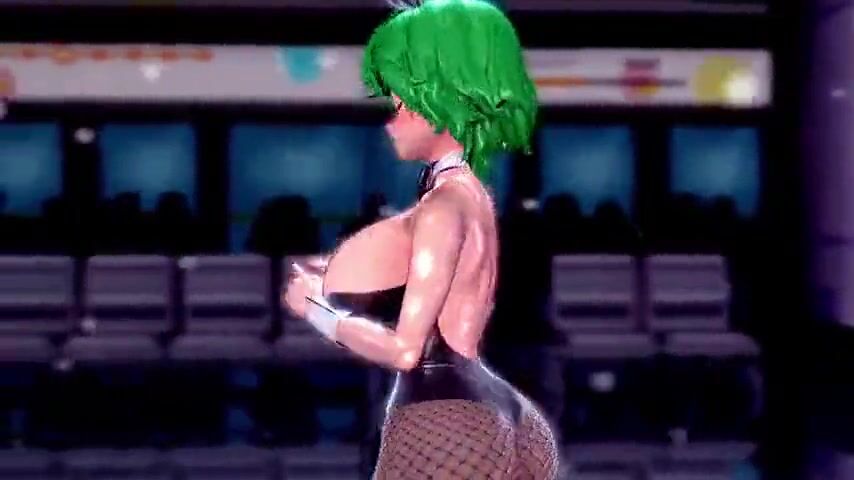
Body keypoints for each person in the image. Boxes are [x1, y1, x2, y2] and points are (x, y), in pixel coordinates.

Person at [282, 0, 560, 477]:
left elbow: (405, 351)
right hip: (506, 413)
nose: (393, 120)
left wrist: (315, 311)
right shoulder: (470, 195)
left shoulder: (442, 209)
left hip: (443, 415)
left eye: (403, 105)